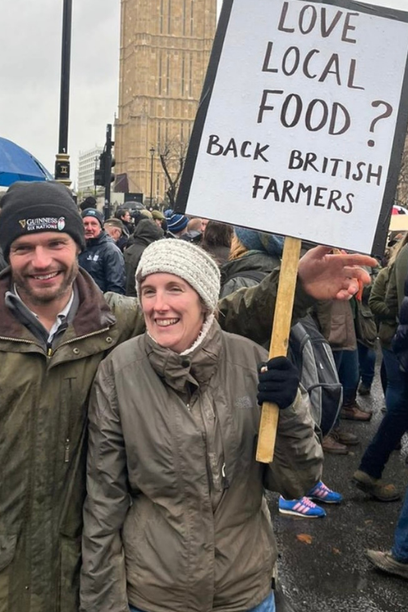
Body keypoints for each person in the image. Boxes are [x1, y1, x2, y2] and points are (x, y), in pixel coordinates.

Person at [0, 181, 375, 612]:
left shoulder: (115, 323)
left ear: (77, 246)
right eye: (24, 247)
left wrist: (297, 288)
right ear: (6, 251)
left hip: (67, 579)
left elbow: (212, 316)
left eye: (55, 243)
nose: (41, 260)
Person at [80, 239, 323, 612]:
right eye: (148, 291)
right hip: (154, 596)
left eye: (174, 288)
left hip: (245, 594)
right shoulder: (118, 372)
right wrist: (102, 604)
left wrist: (290, 410)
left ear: (205, 298)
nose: (159, 305)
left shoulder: (252, 362)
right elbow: (103, 501)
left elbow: (295, 481)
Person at [78, 208, 126, 295]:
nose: (89, 228)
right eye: (85, 224)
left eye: (94, 224)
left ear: (100, 227)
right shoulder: (75, 247)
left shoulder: (110, 251)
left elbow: (116, 288)